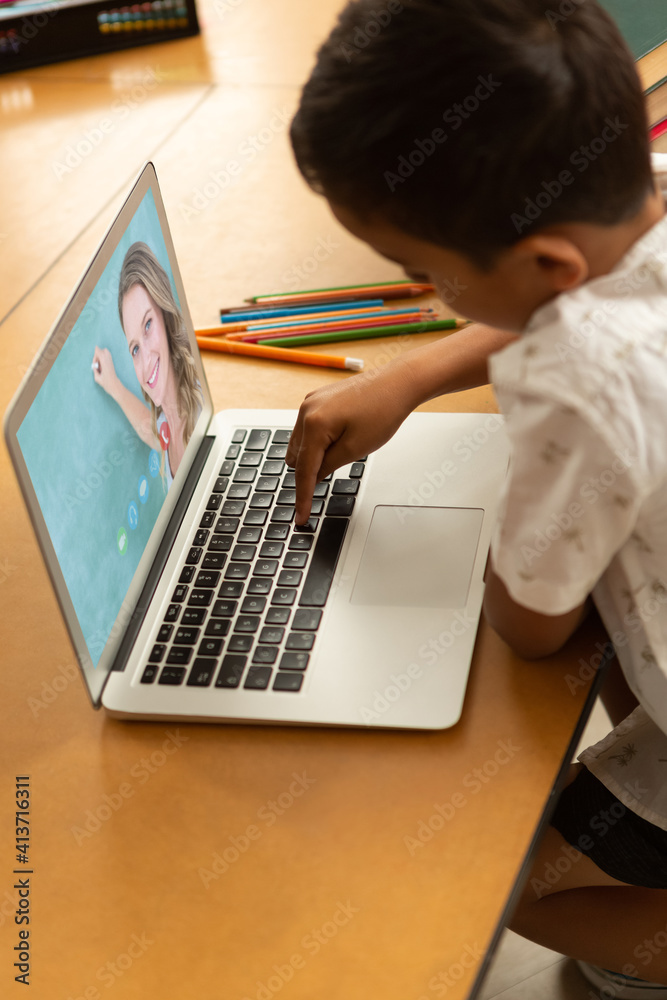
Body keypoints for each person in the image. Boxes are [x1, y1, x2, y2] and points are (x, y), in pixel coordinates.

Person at [284, 0, 667, 994]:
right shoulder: (645, 202)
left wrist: (505, 544)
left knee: (503, 875)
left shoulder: (574, 386)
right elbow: (589, 290)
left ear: (543, 263)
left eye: (428, 275)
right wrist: (411, 377)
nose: (432, 293)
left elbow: (533, 625)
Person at [92, 241, 202, 488]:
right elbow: (149, 430)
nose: (144, 362)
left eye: (148, 324)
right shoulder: (167, 426)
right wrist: (113, 386)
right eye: (135, 348)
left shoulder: (201, 409)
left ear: (165, 315)